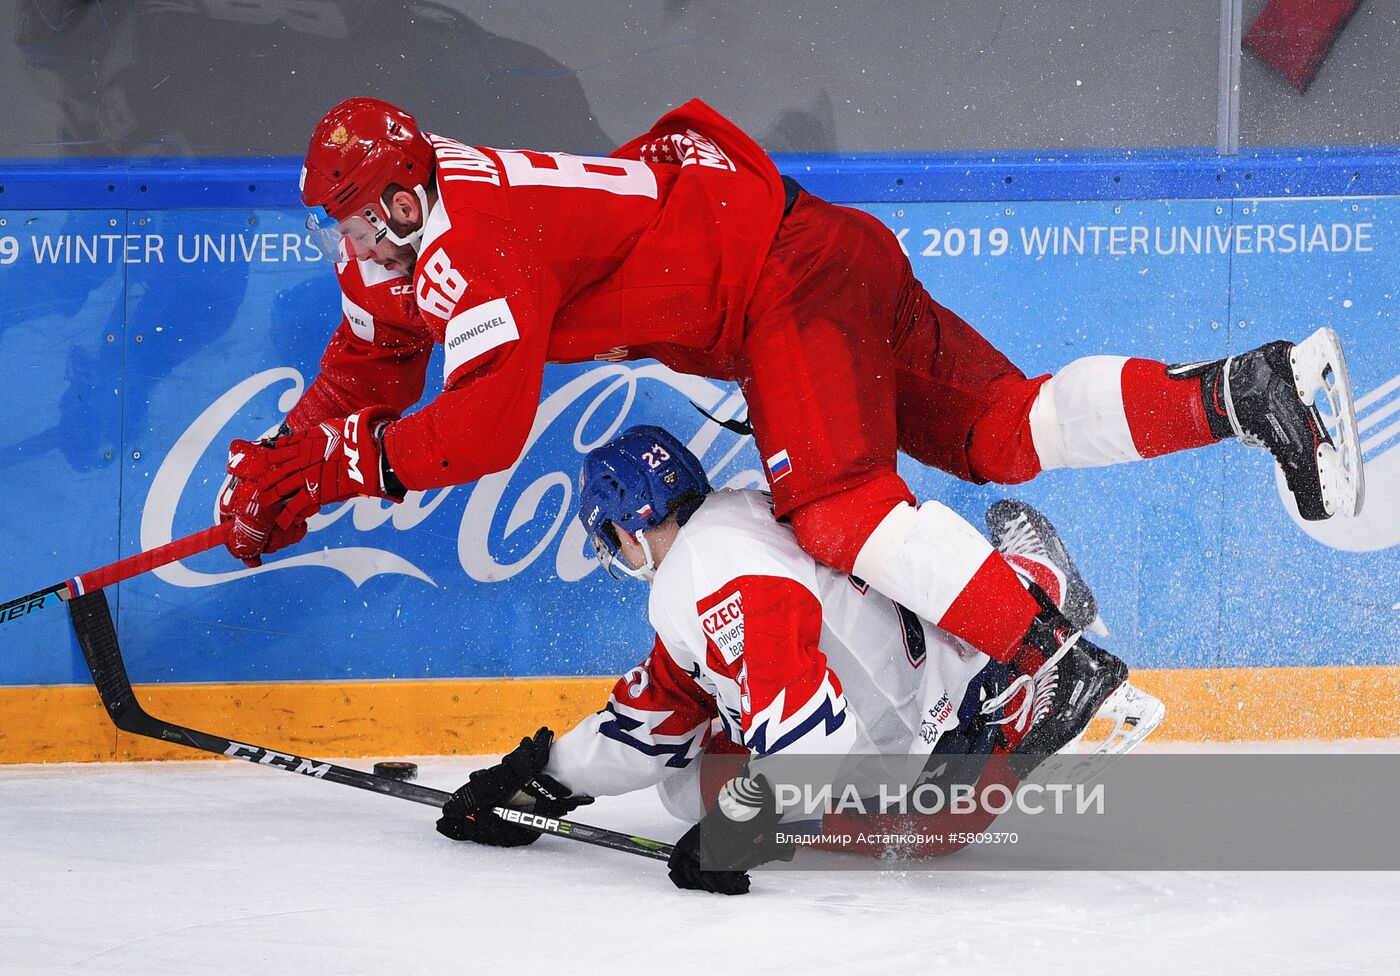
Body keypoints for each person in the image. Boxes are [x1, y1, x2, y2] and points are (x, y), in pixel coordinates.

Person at [219, 95, 1361, 761]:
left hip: (782, 282)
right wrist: (290, 461)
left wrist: (344, 463)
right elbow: (366, 365)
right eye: (337, 231)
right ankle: (1252, 392)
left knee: (829, 505)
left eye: (358, 223)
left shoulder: (472, 242)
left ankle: (1040, 661)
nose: (348, 249)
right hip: (818, 249)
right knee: (998, 435)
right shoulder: (405, 238)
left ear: (407, 197)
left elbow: (478, 431)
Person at [430, 425, 1164, 894]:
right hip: (925, 703)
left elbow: (807, 729)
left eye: (611, 539)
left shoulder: (705, 573)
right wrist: (542, 780)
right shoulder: (737, 521)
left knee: (730, 801)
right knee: (689, 792)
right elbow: (662, 711)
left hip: (943, 741)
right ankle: (1023, 601)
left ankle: (1040, 593)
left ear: (626, 530)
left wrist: (747, 828)